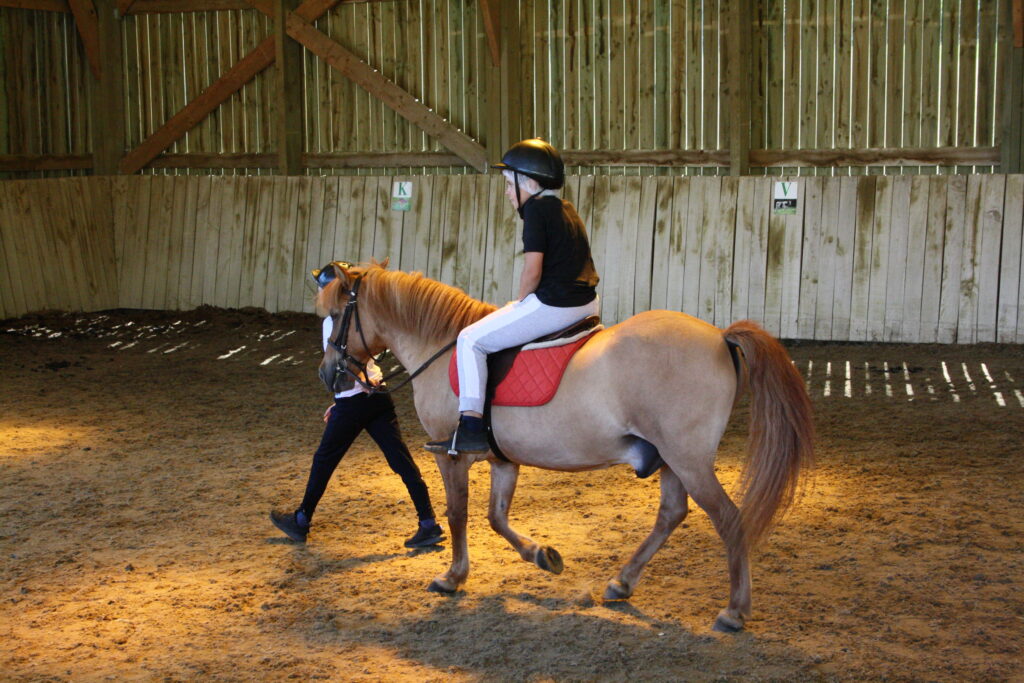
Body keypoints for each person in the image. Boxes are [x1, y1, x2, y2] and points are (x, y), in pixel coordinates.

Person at [425, 139, 600, 456]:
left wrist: (520, 303)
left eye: (509, 184)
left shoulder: (536, 212)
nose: (507, 192)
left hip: (556, 305)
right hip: (587, 304)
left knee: (470, 339)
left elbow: (532, 270)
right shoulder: (566, 209)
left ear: (529, 183)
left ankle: (471, 426)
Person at [270, 262, 445, 548]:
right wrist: (337, 401)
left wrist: (342, 400)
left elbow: (344, 367)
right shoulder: (360, 314)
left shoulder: (334, 320)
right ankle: (427, 522)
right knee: (401, 461)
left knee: (324, 460)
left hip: (353, 403)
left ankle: (301, 520)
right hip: (378, 397)